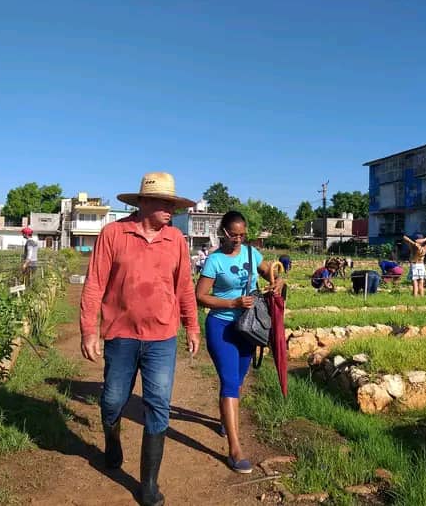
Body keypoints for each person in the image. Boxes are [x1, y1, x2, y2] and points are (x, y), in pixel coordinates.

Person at [79, 172, 200, 506]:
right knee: (113, 401)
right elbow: (94, 283)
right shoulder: (113, 234)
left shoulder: (176, 240)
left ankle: (148, 484)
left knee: (158, 404)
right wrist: (89, 330)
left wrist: (191, 325)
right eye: (164, 202)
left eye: (173, 204)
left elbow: (184, 287)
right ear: (144, 202)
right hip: (121, 335)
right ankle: (112, 438)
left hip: (162, 337)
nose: (170, 210)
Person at [195, 211, 283, 474]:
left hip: (248, 327)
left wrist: (277, 281)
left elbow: (268, 269)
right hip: (221, 325)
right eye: (233, 234)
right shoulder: (215, 261)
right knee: (230, 381)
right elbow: (200, 296)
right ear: (223, 233)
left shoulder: (250, 254)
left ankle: (225, 417)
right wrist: (232, 303)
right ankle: (235, 449)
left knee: (239, 379)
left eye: (242, 234)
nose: (238, 239)